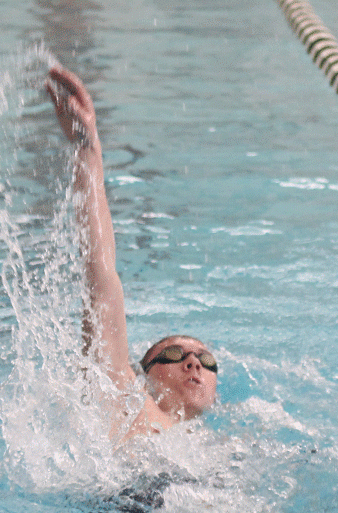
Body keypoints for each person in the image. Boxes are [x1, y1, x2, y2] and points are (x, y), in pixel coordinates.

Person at [45, 66, 219, 442]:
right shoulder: (128, 402)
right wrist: (87, 149)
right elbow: (102, 279)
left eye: (206, 360)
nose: (193, 363)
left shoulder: (229, 448)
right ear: (143, 375)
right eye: (173, 355)